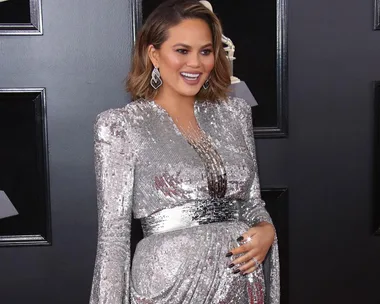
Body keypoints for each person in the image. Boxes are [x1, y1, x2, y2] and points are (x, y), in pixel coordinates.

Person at [89, 0, 280, 303]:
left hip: (239, 279)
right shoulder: (121, 126)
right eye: (182, 51)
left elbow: (251, 202)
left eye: (205, 51)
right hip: (167, 284)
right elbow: (113, 238)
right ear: (154, 54)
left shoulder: (235, 114)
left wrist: (266, 228)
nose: (196, 63)